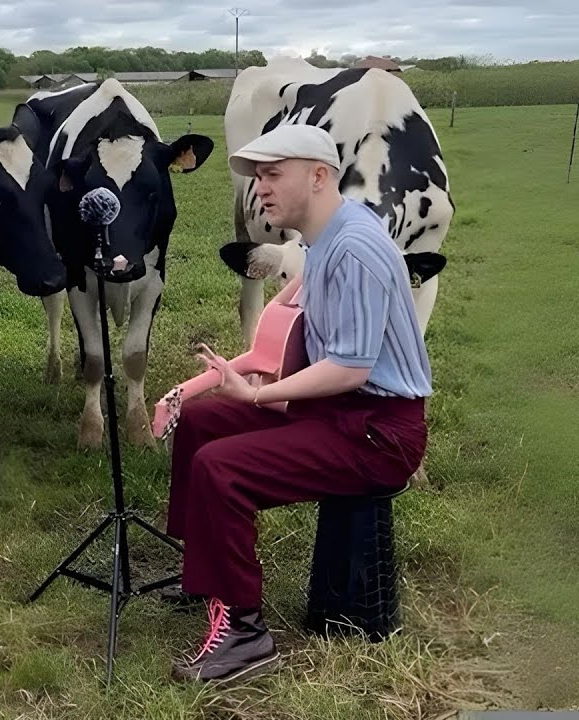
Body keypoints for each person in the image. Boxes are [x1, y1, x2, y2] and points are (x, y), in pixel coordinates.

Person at [165, 123, 433, 683]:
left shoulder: (354, 247)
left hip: (379, 432)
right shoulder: (327, 233)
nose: (258, 188)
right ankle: (208, 579)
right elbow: (296, 322)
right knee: (202, 422)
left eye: (271, 174)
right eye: (257, 177)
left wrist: (261, 395)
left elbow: (351, 367)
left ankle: (244, 632)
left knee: (222, 468)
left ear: (318, 176)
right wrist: (215, 384)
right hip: (343, 411)